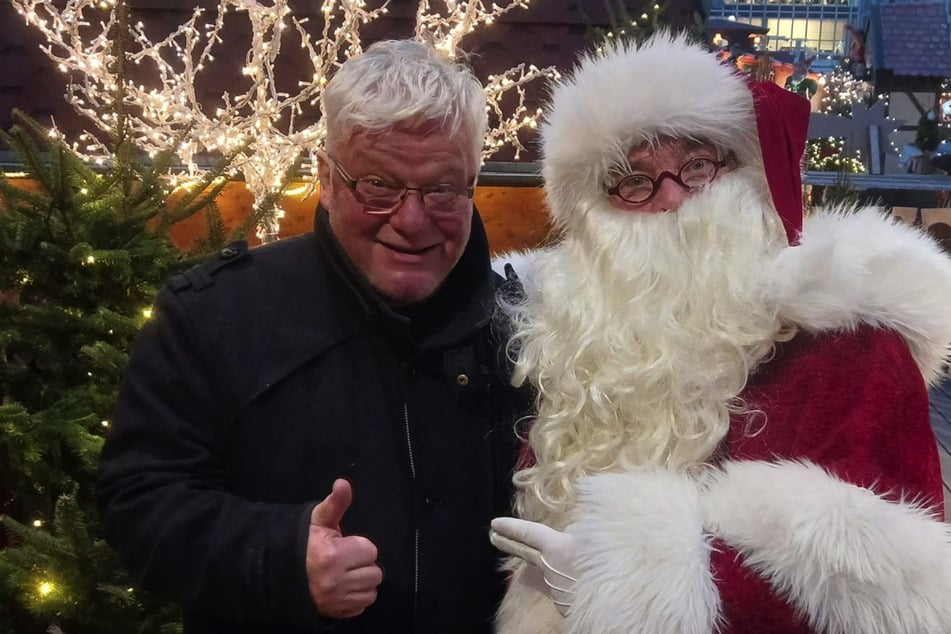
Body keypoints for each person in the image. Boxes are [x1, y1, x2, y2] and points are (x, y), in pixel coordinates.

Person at [489, 32, 951, 633]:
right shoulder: (580, 348)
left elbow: (899, 594)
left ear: (748, 175)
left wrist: (631, 585)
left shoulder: (852, 347)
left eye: (698, 166)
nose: (673, 200)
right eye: (634, 180)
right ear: (596, 215)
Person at [97, 39, 526, 633]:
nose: (410, 219)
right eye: (377, 185)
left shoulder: (528, 331)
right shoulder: (215, 316)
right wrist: (279, 558)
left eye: (442, 189)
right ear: (327, 177)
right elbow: (138, 502)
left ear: (473, 182)